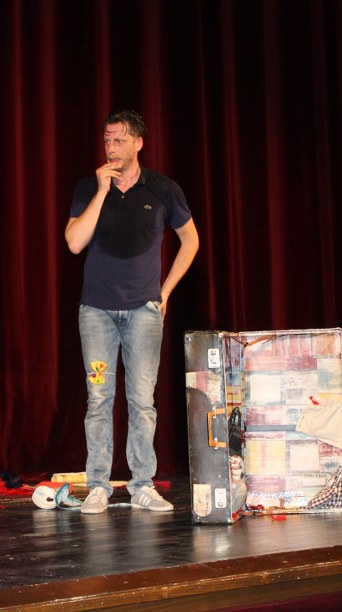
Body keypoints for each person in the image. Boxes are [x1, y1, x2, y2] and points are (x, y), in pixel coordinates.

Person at [65, 110, 200, 514]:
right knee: (98, 398)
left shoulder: (162, 189)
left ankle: (142, 484)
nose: (111, 147)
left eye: (120, 140)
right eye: (107, 140)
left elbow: (190, 240)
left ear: (139, 143)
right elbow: (74, 242)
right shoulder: (89, 187)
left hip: (143, 311)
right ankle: (98, 485)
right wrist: (102, 192)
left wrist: (165, 291)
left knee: (142, 401)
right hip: (96, 312)